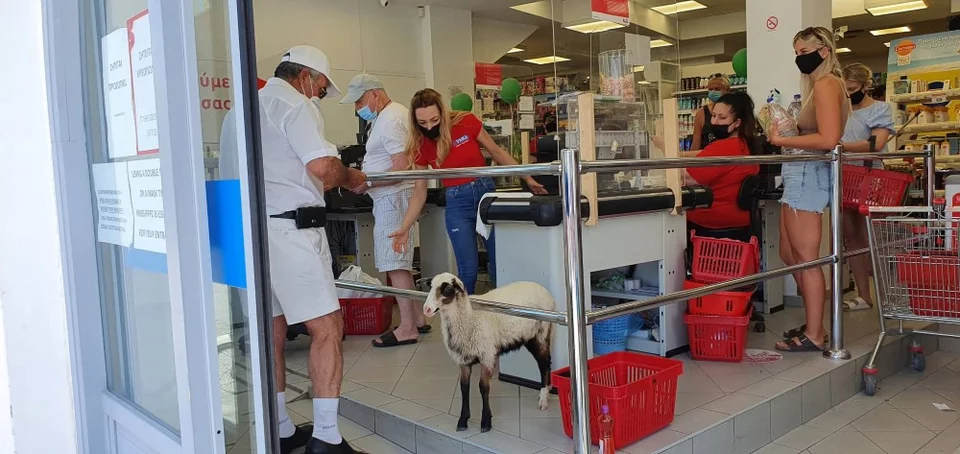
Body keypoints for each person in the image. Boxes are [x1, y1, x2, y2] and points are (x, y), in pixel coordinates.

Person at [260, 45, 367, 454]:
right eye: (321, 88)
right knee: (327, 330)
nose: (319, 96)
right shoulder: (296, 105)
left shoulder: (245, 108)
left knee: (273, 330)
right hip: (294, 231)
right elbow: (322, 169)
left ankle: (282, 430)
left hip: (256, 234)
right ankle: (325, 438)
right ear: (305, 77)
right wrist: (350, 176)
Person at [402, 88, 547, 294]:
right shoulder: (419, 144)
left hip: (485, 193)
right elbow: (419, 191)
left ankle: (505, 316)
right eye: (423, 123)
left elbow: (496, 151)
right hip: (456, 201)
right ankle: (465, 322)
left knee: (500, 263)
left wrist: (528, 178)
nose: (429, 127)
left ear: (442, 114)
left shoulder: (465, 122)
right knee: (467, 270)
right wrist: (405, 227)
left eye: (434, 120)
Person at [768, 27, 849, 353]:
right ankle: (815, 323)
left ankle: (816, 333)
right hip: (798, 172)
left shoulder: (828, 84)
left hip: (809, 174)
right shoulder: (816, 87)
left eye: (804, 52)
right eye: (797, 53)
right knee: (789, 254)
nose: (799, 58)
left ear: (825, 51)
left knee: (805, 258)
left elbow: (829, 140)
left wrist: (782, 140)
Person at [339, 75, 430, 348]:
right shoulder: (389, 116)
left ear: (374, 94)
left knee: (395, 264)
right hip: (390, 197)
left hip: (393, 198)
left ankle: (406, 328)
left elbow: (401, 166)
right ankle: (417, 319)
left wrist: (366, 181)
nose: (357, 109)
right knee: (399, 264)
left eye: (359, 101)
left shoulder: (390, 119)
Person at [838, 63, 895, 312]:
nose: (849, 95)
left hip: (871, 178)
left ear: (864, 85)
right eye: (845, 90)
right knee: (852, 238)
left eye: (852, 89)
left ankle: (887, 295)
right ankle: (864, 295)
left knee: (875, 238)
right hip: (844, 177)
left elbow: (876, 143)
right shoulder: (841, 110)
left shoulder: (880, 109)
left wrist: (840, 146)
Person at [684, 91, 761, 238]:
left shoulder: (724, 148)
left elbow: (688, 179)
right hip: (740, 220)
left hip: (713, 220)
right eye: (713, 116)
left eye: (722, 118)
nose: (714, 122)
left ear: (737, 122)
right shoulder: (747, 144)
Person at [691, 74, 733, 151]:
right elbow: (696, 143)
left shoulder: (734, 110)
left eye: (717, 89)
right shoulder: (701, 113)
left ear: (727, 90)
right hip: (707, 157)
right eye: (710, 89)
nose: (713, 92)